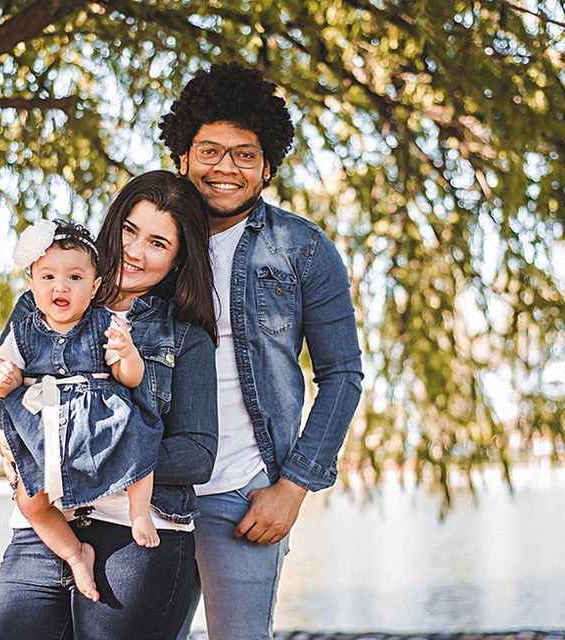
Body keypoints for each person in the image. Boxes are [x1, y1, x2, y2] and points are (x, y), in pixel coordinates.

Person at [159, 63, 364, 638]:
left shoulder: (302, 250)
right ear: (183, 156)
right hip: (148, 489)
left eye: (245, 154)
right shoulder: (148, 240)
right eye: (210, 151)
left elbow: (342, 375)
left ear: (268, 166)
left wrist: (293, 488)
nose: (225, 168)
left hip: (244, 496)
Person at [0, 170, 218, 639]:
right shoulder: (42, 302)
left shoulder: (185, 337)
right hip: (44, 529)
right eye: (129, 230)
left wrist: (81, 456)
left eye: (158, 243)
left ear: (178, 260)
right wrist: (11, 420)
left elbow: (197, 455)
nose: (135, 251)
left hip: (140, 532)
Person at [0, 220, 164, 603]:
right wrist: (4, 380)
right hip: (46, 428)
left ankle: (139, 511)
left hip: (100, 416)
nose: (60, 286)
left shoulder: (107, 324)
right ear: (32, 283)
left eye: (74, 276)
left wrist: (128, 353)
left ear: (95, 285)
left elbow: (130, 379)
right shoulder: (23, 331)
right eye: (48, 276)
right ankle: (74, 553)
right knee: (28, 499)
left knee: (137, 443)